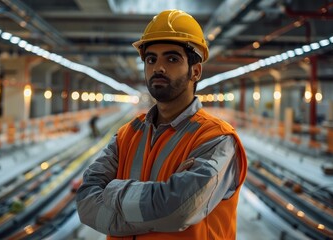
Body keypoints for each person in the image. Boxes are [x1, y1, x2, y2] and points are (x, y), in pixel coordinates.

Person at [76, 9, 247, 240]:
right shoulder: (126, 134)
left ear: (195, 71)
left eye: (172, 58)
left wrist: (112, 191)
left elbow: (178, 210)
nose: (158, 68)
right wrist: (159, 206)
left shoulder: (217, 139)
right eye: (151, 59)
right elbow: (86, 203)